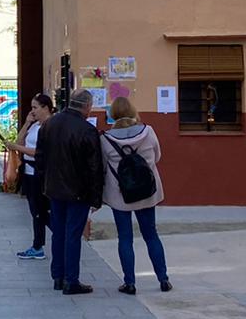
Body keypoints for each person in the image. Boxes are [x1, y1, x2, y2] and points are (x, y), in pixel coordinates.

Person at [100, 96, 172, 295]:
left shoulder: (105, 138)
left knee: (125, 238)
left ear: (112, 114)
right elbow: (157, 156)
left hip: (120, 194)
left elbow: (103, 166)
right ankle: (163, 278)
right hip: (147, 191)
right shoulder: (148, 132)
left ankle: (130, 282)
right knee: (151, 235)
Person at [36, 88, 103, 294]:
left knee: (59, 233)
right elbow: (95, 167)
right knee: (73, 235)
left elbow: (40, 159)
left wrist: (46, 183)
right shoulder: (86, 130)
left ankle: (58, 276)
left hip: (55, 189)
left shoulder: (49, 125)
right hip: (78, 191)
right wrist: (96, 197)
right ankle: (71, 280)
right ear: (87, 106)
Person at [8, 93, 53, 260]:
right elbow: (20, 143)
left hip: (39, 172)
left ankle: (52, 236)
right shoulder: (35, 125)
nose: (33, 111)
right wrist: (27, 123)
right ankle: (37, 244)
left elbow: (40, 152)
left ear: (46, 108)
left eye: (35, 107)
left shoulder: (48, 127)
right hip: (28, 171)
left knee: (40, 210)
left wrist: (17, 147)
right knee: (35, 211)